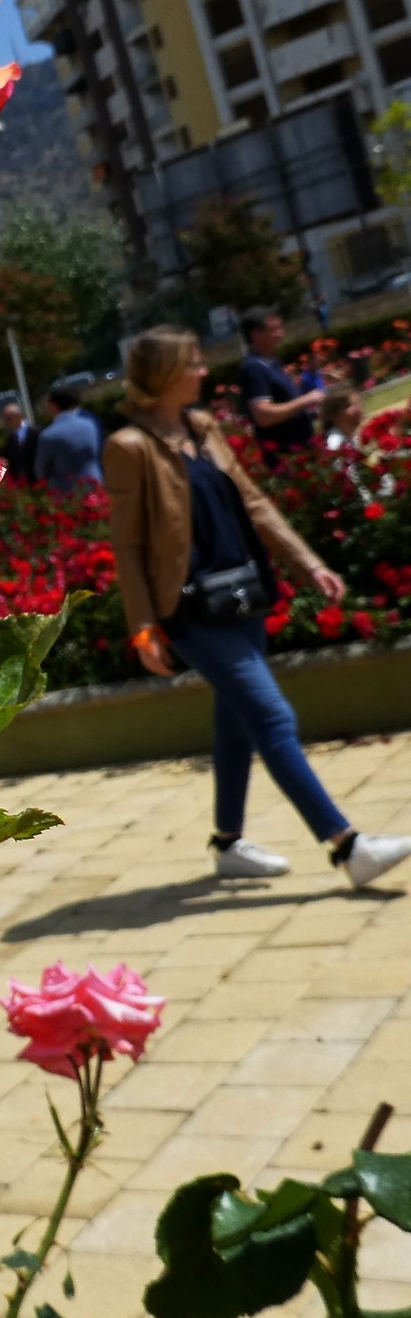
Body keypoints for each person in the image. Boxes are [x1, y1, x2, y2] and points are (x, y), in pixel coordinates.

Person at [104, 325, 410, 890]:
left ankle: (228, 845)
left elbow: (255, 502)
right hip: (191, 608)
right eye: (193, 363)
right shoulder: (130, 447)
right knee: (272, 717)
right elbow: (128, 545)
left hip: (241, 592)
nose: (204, 372)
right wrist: (143, 626)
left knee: (236, 725)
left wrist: (308, 564)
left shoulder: (203, 428)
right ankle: (348, 847)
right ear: (165, 373)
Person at [238, 308, 323, 454]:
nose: (280, 334)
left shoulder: (272, 363)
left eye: (280, 328)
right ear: (256, 335)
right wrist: (305, 400)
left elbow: (287, 403)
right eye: (273, 329)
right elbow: (263, 415)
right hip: (285, 456)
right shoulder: (253, 368)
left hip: (301, 449)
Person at [34, 384, 104, 494]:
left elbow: (41, 470)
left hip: (67, 493)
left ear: (53, 405)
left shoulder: (48, 435)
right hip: (95, 485)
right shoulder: (90, 424)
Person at [0, 399, 37, 484]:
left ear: (18, 416)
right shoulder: (10, 439)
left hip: (38, 477)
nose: (6, 422)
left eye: (8, 418)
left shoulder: (36, 432)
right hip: (22, 482)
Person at [320, 385, 363, 450]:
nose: (357, 409)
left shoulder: (353, 437)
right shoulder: (335, 444)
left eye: (357, 403)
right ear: (333, 414)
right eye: (348, 406)